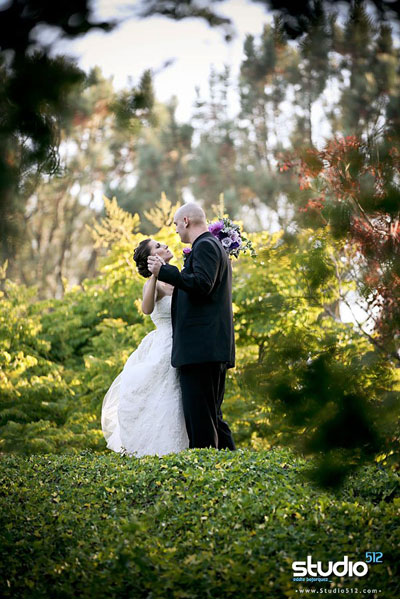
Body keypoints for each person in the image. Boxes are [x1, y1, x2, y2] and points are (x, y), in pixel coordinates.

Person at [147, 203, 236, 450]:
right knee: (212, 420)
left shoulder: (206, 246)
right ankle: (234, 470)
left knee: (201, 426)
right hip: (207, 349)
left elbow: (202, 284)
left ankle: (207, 479)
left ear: (186, 220)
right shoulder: (210, 246)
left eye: (176, 224)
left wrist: (166, 271)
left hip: (201, 350)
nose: (175, 230)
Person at [101, 239, 189, 457]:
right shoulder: (155, 284)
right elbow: (147, 308)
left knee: (177, 401)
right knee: (162, 398)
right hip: (163, 347)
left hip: (184, 343)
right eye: (158, 246)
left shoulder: (179, 278)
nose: (165, 246)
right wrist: (154, 276)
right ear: (151, 257)